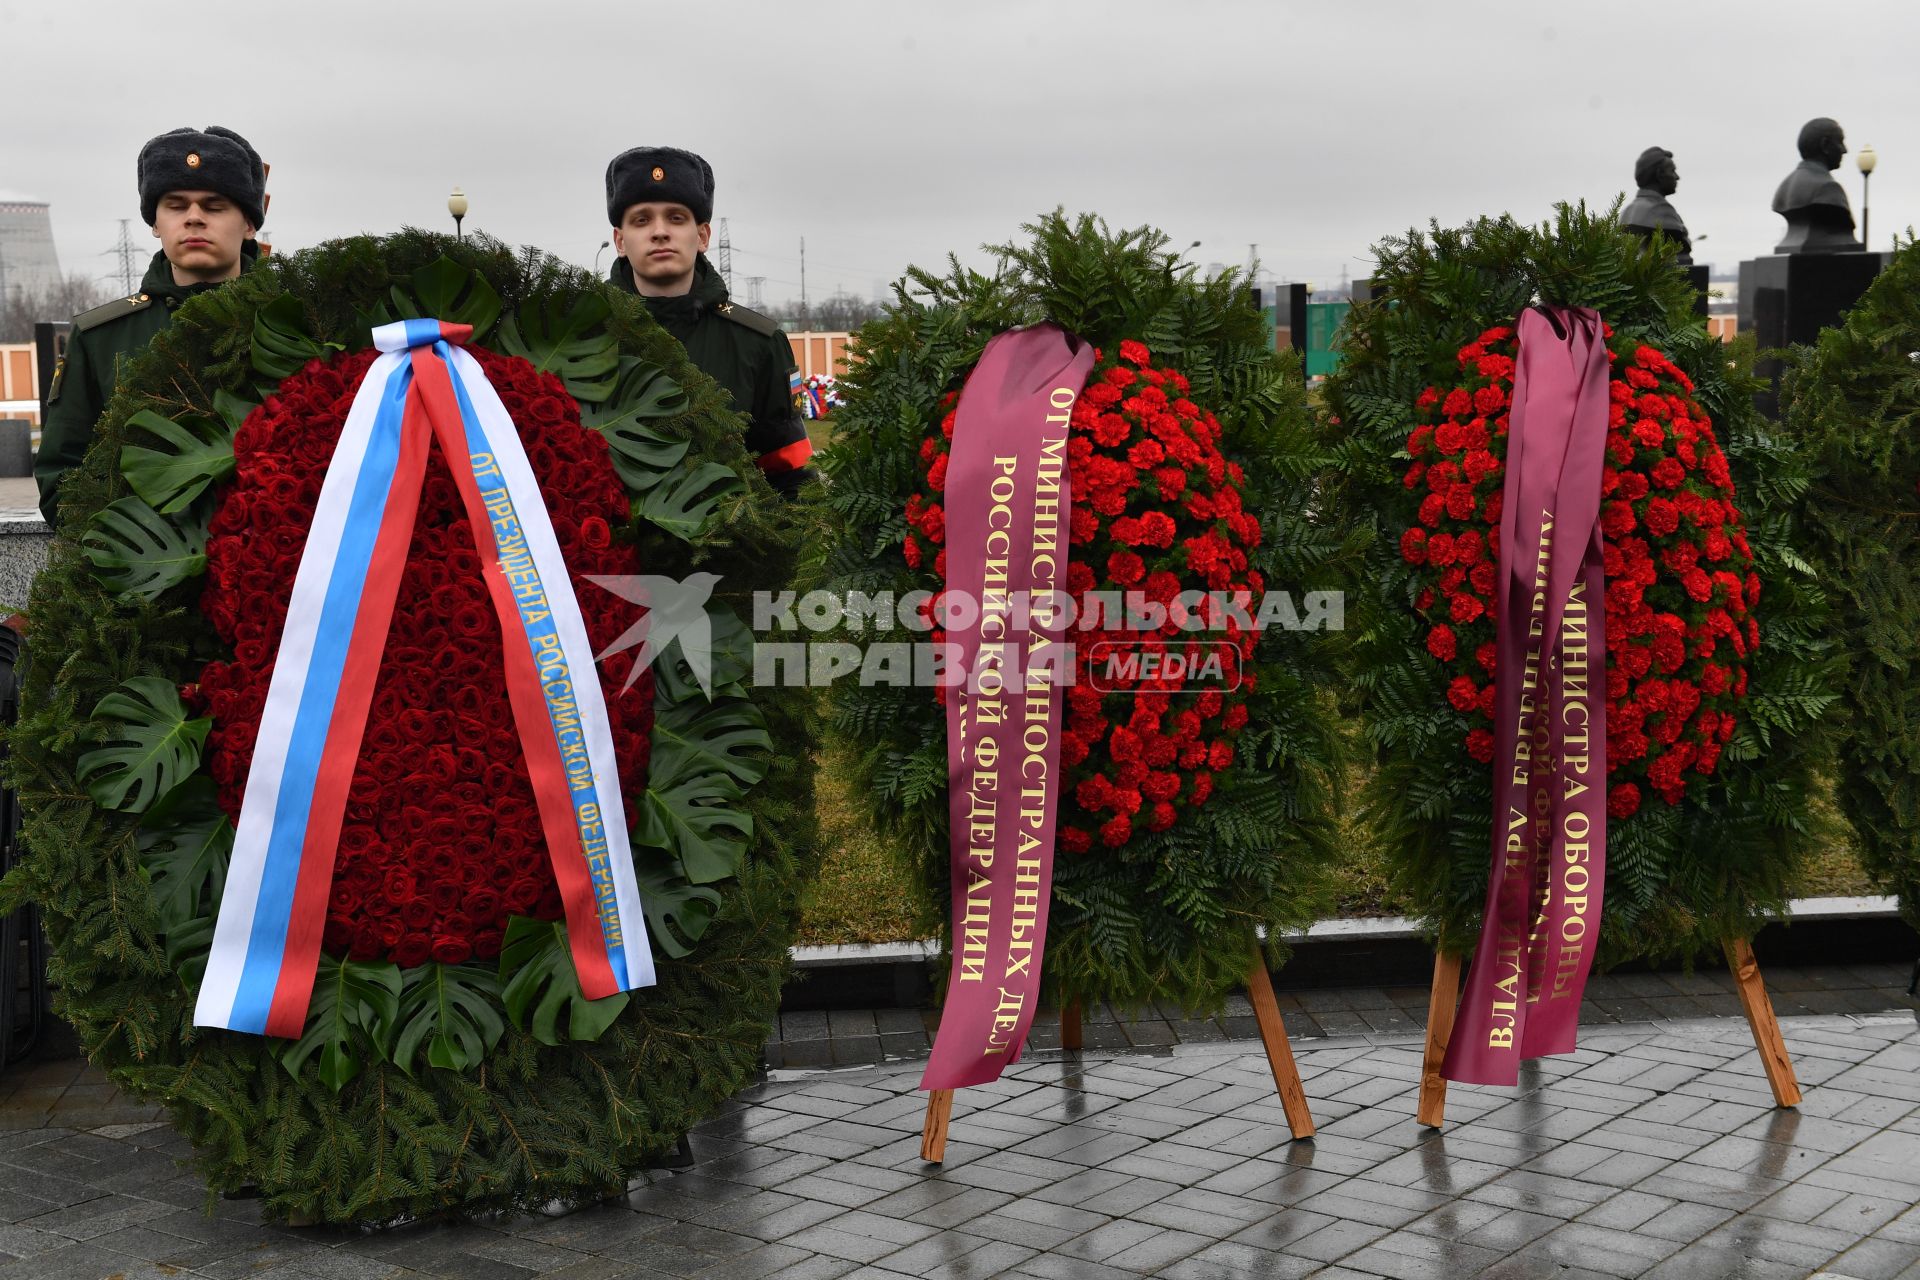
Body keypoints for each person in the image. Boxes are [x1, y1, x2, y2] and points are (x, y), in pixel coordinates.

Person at [36, 126, 265, 524]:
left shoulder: (301, 323)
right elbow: (62, 477)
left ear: (249, 224)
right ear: (155, 223)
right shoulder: (102, 336)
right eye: (176, 205)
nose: (194, 218)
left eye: (214, 206)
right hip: (143, 574)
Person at [603, 146, 815, 496]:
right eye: (641, 219)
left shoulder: (757, 343)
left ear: (702, 236)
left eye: (676, 218)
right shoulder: (581, 335)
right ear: (620, 241)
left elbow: (787, 476)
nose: (659, 232)